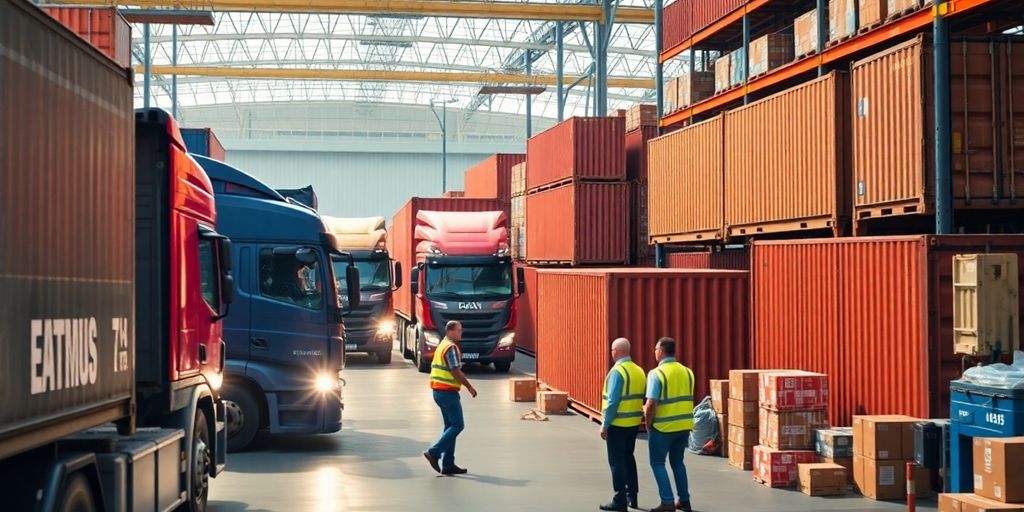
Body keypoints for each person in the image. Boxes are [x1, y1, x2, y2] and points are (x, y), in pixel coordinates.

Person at [644, 337, 696, 512]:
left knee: (657, 463)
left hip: (663, 427)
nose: (654, 352)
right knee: (678, 463)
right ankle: (684, 500)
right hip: (684, 426)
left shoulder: (656, 374)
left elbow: (651, 404)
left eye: (655, 349)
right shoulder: (688, 372)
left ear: (661, 351)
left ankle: (667, 501)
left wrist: (648, 423)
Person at [423, 320, 478, 476]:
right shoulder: (450, 348)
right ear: (451, 331)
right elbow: (454, 371)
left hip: (439, 391)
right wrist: (469, 386)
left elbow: (450, 367)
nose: (461, 333)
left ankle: (448, 464)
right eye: (459, 330)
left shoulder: (443, 344)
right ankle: (434, 452)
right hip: (447, 392)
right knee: (458, 425)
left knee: (450, 427)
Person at [599, 338, 646, 511]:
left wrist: (605, 424)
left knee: (616, 461)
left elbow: (612, 401)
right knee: (628, 458)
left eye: (612, 350)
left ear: (616, 351)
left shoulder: (617, 372)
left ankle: (619, 500)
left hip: (618, 423)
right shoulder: (639, 371)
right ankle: (632, 496)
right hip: (633, 423)